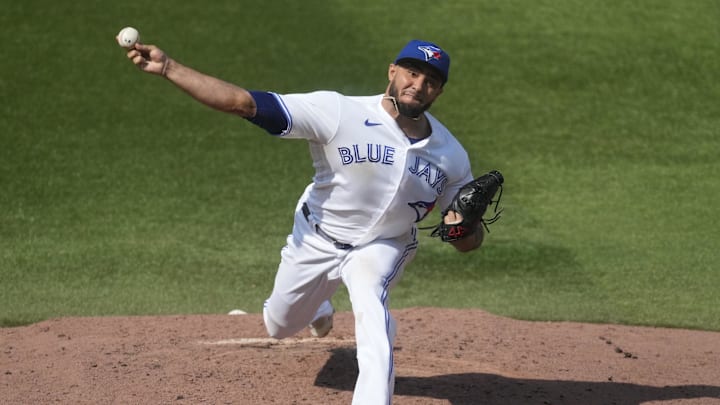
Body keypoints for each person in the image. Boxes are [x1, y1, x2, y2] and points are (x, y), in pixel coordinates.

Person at [123, 37, 486, 405]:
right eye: (412, 73)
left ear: (439, 91)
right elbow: (243, 103)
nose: (418, 85)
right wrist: (169, 68)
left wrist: (464, 229)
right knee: (279, 325)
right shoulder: (338, 111)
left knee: (373, 313)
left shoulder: (451, 156)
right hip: (316, 237)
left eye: (430, 81)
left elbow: (467, 242)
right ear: (393, 71)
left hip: (382, 246)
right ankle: (318, 307)